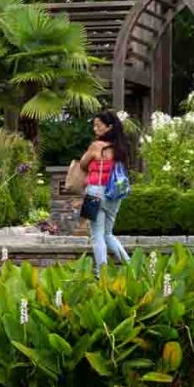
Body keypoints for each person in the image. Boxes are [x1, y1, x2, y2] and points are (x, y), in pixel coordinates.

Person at [79, 110, 135, 271]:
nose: (95, 129)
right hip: (115, 194)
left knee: (96, 235)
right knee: (108, 234)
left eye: (98, 125)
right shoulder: (122, 148)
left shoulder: (97, 146)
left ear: (109, 127)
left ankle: (101, 272)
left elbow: (83, 164)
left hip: (95, 192)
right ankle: (131, 267)